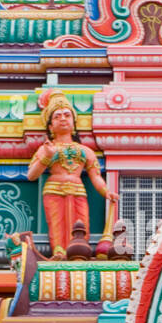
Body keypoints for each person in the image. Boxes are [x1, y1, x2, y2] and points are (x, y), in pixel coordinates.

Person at [26, 91, 117, 259]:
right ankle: (59, 252)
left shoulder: (85, 151)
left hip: (77, 190)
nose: (63, 118)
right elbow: (31, 175)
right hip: (54, 189)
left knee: (80, 223)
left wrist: (106, 192)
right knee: (57, 222)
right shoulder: (46, 148)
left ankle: (79, 252)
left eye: (67, 115)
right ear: (51, 127)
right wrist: (46, 156)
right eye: (57, 116)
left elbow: (95, 176)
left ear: (74, 124)